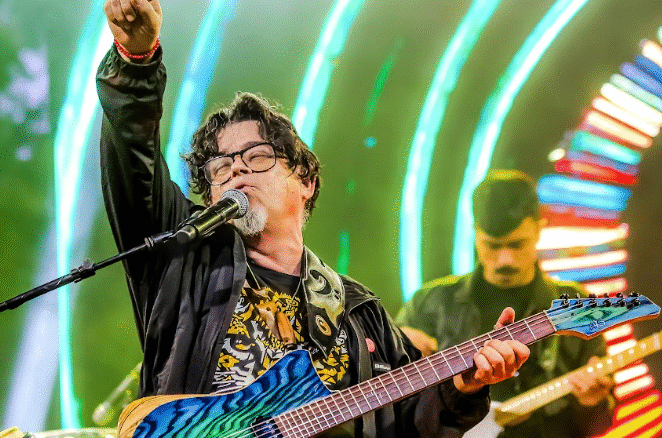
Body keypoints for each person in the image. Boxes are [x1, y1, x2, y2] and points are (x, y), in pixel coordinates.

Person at [97, 1, 531, 436]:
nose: (237, 170)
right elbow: (134, 161)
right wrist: (136, 61)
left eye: (257, 156)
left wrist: (463, 387)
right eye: (220, 168)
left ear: (304, 180)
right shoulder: (184, 261)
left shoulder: (358, 312)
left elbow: (407, 422)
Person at [396, 169, 614, 438]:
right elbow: (391, 407)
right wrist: (394, 357)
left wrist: (593, 402)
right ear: (475, 233)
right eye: (492, 245)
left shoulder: (577, 307)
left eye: (517, 244)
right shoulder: (430, 303)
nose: (505, 260)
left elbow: (601, 424)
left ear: (539, 229)